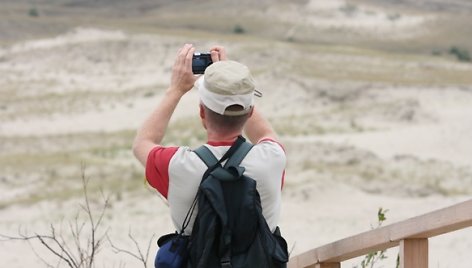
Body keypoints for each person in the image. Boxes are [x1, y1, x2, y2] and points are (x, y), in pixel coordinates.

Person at [132, 44, 286, 237]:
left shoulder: (177, 165)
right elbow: (264, 132)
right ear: (250, 112)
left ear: (202, 112)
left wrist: (176, 90)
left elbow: (142, 143)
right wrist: (232, 81)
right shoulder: (272, 158)